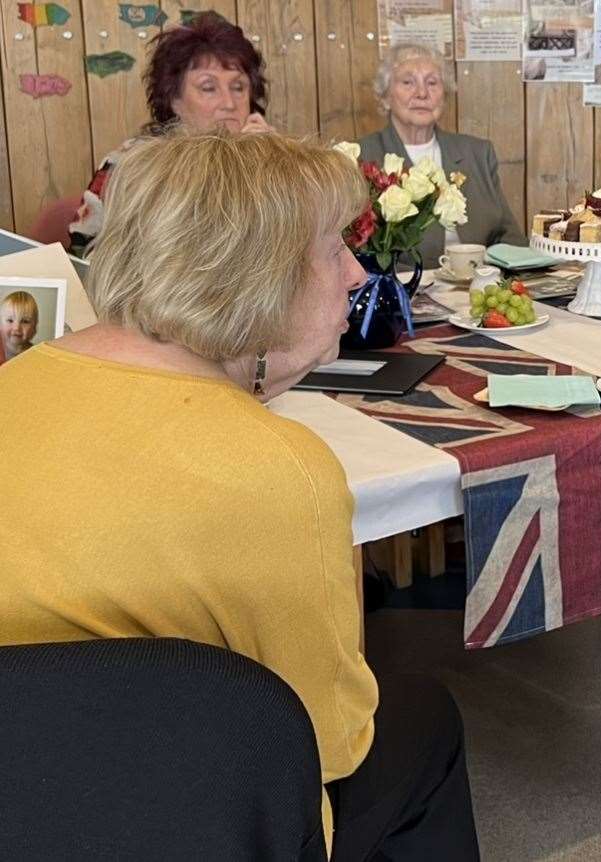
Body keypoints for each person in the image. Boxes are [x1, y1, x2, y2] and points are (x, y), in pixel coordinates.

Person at [0, 132, 480, 861]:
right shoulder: (280, 468)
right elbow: (331, 740)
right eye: (331, 249)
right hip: (180, 818)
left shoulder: (18, 380)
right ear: (258, 274)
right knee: (423, 715)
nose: (356, 274)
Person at [69, 12, 274, 253]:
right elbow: (83, 254)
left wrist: (266, 165)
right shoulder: (128, 164)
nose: (228, 102)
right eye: (209, 87)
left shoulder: (275, 160)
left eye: (238, 87)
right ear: (174, 99)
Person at [357, 43, 524, 268]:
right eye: (408, 82)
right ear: (385, 97)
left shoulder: (477, 153)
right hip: (404, 291)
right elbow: (354, 251)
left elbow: (510, 239)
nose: (422, 93)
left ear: (443, 97)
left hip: (479, 286)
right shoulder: (362, 157)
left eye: (432, 83)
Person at [1, 290, 38, 362]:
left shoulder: (35, 356)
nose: (16, 328)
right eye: (10, 321)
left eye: (25, 321)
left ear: (34, 327)